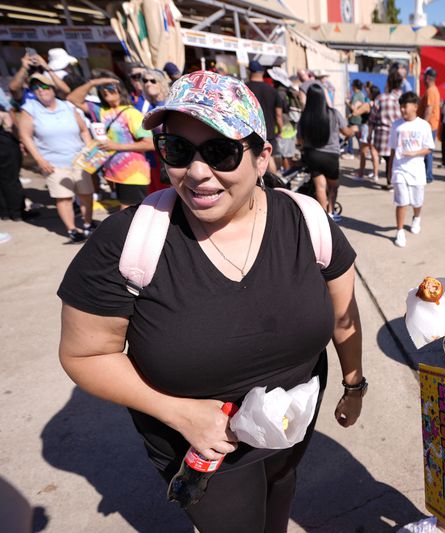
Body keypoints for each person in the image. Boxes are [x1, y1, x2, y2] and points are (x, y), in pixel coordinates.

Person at [57, 71, 365, 532]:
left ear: (262, 158)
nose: (197, 172)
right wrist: (181, 414)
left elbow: (345, 319)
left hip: (292, 415)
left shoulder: (308, 222)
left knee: (282, 486)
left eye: (220, 151)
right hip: (203, 446)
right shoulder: (129, 240)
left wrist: (354, 385)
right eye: (178, 150)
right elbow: (85, 352)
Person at [17, 71, 93, 242]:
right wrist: (39, 159)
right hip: (53, 162)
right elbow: (26, 136)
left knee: (86, 193)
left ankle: (88, 224)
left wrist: (88, 150)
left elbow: (83, 130)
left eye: (44, 86)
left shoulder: (67, 106)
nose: (40, 90)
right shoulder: (30, 109)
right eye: (35, 87)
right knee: (64, 197)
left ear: (52, 88)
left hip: (79, 160)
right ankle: (73, 230)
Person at [67, 73, 154, 209]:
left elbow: (150, 143)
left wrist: (117, 146)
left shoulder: (132, 113)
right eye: (103, 89)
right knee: (126, 212)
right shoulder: (101, 110)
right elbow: (73, 99)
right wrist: (93, 83)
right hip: (115, 173)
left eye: (110, 87)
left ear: (120, 90)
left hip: (133, 173)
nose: (106, 90)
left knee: (129, 212)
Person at [297, 83, 355, 221]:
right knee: (334, 186)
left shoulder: (304, 117)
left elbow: (299, 140)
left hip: (312, 155)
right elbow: (346, 131)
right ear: (323, 97)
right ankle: (331, 212)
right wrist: (353, 130)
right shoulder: (333, 113)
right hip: (330, 156)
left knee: (320, 187)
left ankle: (323, 217)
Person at [388, 92, 435, 248]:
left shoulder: (424, 126)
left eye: (405, 106)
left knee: (416, 201)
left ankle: (416, 218)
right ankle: (399, 231)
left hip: (417, 170)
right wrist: (389, 170)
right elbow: (393, 150)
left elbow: (429, 148)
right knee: (401, 201)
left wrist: (414, 153)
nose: (402, 110)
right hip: (399, 169)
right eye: (400, 106)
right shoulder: (396, 126)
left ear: (415, 106)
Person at [246, 61, 284, 174]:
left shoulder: (244, 88)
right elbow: (279, 115)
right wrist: (280, 129)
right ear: (262, 72)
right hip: (268, 129)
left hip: (249, 129)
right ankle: (274, 183)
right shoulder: (272, 90)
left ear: (249, 71)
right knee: (267, 156)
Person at [370, 71, 404, 189]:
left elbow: (372, 118)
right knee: (393, 159)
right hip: (399, 134)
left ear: (389, 82)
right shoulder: (404, 98)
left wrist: (369, 134)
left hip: (382, 135)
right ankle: (391, 180)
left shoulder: (381, 98)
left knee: (387, 157)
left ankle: (389, 180)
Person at [0, 100, 24, 222]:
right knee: (11, 179)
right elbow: (10, 125)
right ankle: (16, 212)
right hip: (5, 145)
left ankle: (5, 212)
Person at [418, 67, 441, 183]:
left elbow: (429, 109)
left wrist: (422, 125)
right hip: (431, 125)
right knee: (427, 151)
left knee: (427, 151)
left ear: (427, 78)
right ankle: (427, 174)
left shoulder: (431, 91)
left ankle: (428, 175)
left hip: (429, 126)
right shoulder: (433, 90)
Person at [358, 85, 382, 182]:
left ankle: (361, 173)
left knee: (363, 151)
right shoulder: (379, 103)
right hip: (376, 129)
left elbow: (357, 112)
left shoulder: (369, 104)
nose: (367, 92)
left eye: (369, 91)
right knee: (374, 152)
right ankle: (375, 174)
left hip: (367, 127)